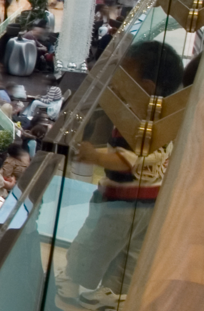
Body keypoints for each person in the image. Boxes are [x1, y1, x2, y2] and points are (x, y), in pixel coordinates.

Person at [58, 41, 184, 309]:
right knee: (130, 253)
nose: (116, 80)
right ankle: (115, 294)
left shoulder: (135, 122)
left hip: (120, 202)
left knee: (93, 243)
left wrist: (95, 156)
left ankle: (71, 280)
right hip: (151, 200)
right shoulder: (166, 117)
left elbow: (126, 161)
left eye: (124, 75)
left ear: (145, 86)